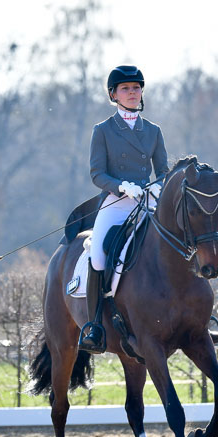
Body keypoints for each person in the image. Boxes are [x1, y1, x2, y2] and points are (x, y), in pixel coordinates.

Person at [78, 65, 169, 353]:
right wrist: (121, 187)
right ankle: (94, 325)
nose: (132, 93)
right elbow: (97, 174)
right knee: (98, 254)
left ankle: (197, 315)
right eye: (126, 89)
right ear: (114, 94)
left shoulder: (153, 131)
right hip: (117, 203)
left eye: (136, 88)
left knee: (183, 242)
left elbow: (164, 170)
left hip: (149, 203)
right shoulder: (103, 130)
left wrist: (159, 186)